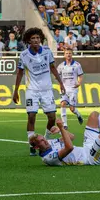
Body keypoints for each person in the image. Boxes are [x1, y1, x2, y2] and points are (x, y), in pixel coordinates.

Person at [13, 27, 65, 156]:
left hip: (47, 90)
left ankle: (46, 138)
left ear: (40, 39)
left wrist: (61, 83)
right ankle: (32, 143)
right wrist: (16, 91)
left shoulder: (47, 51)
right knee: (31, 116)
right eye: (33, 38)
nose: (36, 40)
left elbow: (52, 67)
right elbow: (19, 73)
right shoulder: (24, 55)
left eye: (37, 38)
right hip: (32, 90)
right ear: (28, 41)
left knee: (52, 117)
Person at [30, 112, 100, 166]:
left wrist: (60, 131)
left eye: (43, 138)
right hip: (90, 159)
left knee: (94, 115)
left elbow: (71, 137)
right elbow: (69, 147)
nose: (45, 140)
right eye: (41, 141)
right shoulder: (48, 158)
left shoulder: (49, 143)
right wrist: (62, 128)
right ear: (36, 147)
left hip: (86, 148)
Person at [57, 49, 84, 129]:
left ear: (72, 54)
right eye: (67, 53)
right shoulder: (61, 66)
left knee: (72, 109)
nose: (68, 55)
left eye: (70, 53)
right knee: (63, 104)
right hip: (64, 88)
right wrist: (60, 84)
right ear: (64, 55)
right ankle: (65, 124)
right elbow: (57, 76)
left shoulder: (77, 65)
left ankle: (78, 114)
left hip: (73, 89)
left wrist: (79, 83)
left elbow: (80, 76)